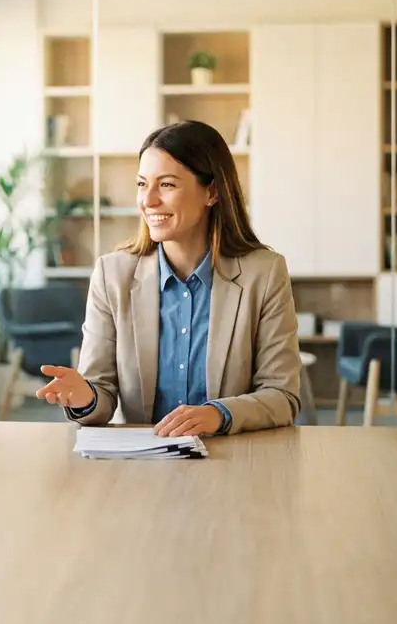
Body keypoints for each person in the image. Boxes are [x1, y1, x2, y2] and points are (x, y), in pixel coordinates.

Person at [36, 120, 301, 435]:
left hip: (232, 460)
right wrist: (85, 397)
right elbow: (101, 392)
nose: (148, 201)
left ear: (212, 192)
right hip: (144, 466)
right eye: (141, 184)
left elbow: (282, 396)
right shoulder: (112, 275)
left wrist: (217, 414)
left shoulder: (264, 273)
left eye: (166, 185)